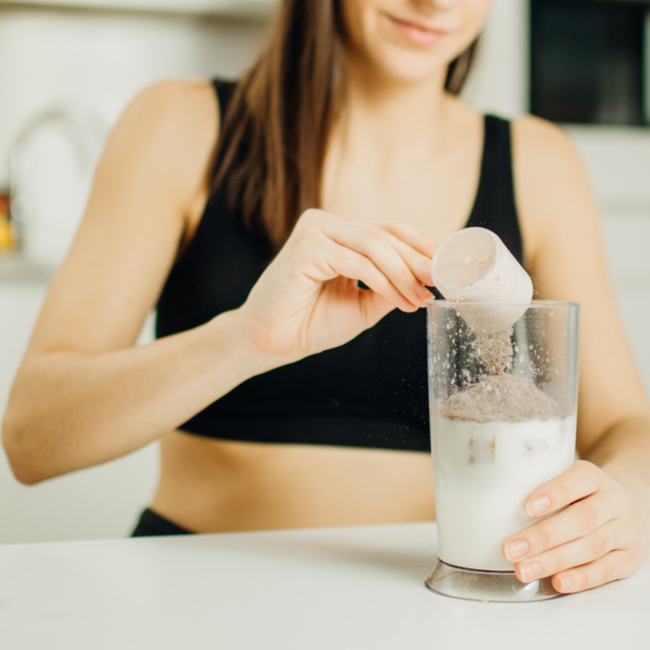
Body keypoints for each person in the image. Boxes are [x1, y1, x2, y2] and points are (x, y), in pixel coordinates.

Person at [3, 0, 650, 595]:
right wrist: (243, 340)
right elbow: (32, 440)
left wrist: (623, 498)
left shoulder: (540, 161)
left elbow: (624, 426)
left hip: (437, 600)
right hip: (197, 593)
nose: (437, 4)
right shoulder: (180, 126)